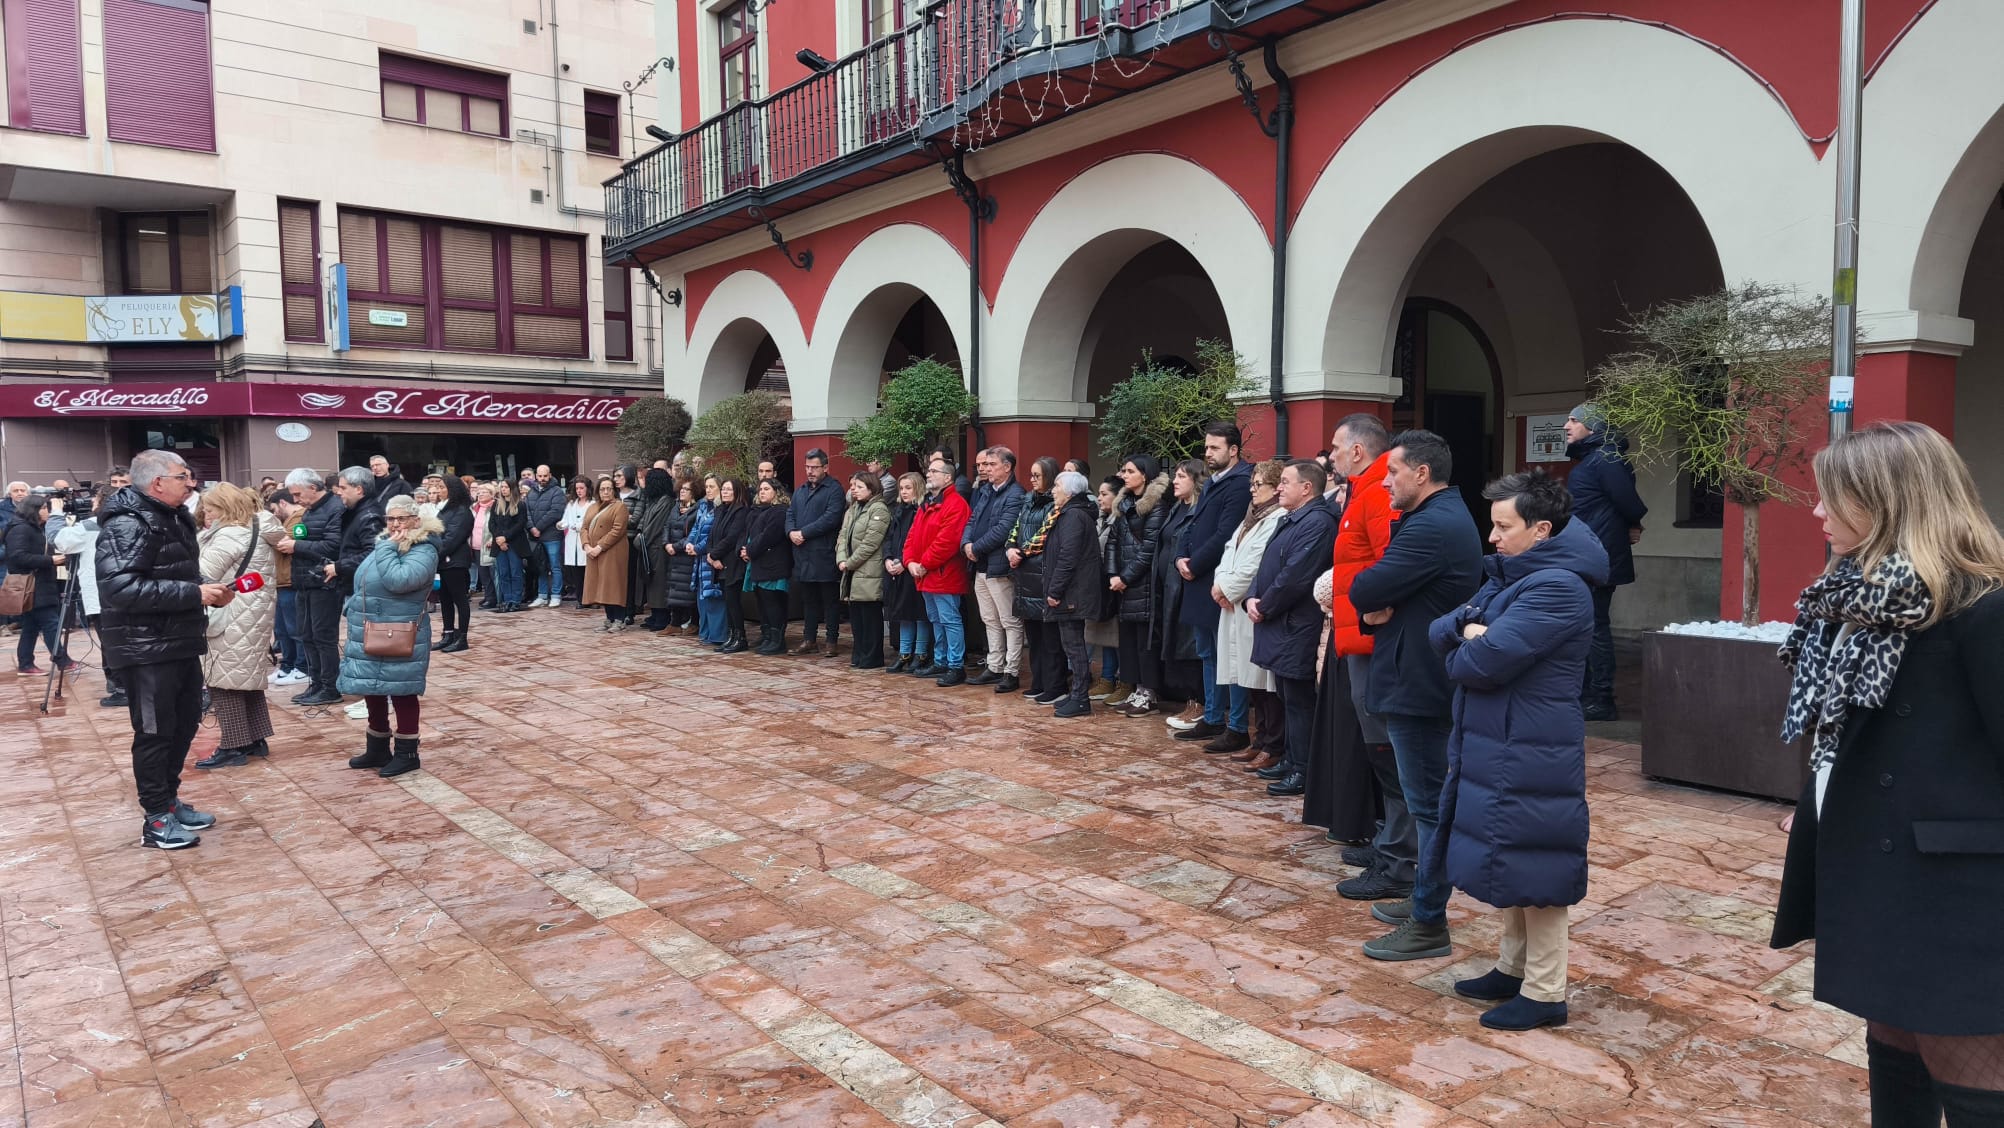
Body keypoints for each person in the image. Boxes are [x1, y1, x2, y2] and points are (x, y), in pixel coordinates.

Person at [1769, 421, 2004, 1122]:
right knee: (1892, 1045)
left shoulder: (1981, 607)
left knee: (1971, 1074)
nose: (1817, 514)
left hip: (1957, 886)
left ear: (1889, 501)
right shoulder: (1854, 602)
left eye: (1831, 499)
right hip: (1876, 869)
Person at [1429, 470, 1604, 1031]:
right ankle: (1513, 968)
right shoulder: (1511, 577)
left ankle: (1546, 990)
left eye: (1504, 526)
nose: (1493, 537)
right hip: (1499, 739)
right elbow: (1442, 631)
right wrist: (1469, 629)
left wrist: (1471, 641)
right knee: (1510, 852)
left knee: (1539, 862)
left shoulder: (1559, 587)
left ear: (1542, 529)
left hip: (1532, 744)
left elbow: (1477, 664)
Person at [1350, 429, 1484, 962]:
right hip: (1416, 675)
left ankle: (1429, 921)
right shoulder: (1435, 518)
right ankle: (1424, 898)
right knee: (1425, 801)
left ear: (1421, 473)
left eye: (1393, 473)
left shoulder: (1433, 525)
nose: (1385, 483)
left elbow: (1366, 588)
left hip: (1421, 683)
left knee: (1428, 806)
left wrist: (1380, 601)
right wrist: (1382, 602)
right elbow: (1378, 593)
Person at [96, 449, 233, 849]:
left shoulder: (172, 517)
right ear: (157, 483)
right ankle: (155, 819)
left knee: (186, 722)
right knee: (155, 733)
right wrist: (194, 593)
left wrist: (208, 588)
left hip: (178, 640)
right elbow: (120, 589)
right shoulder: (128, 524)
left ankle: (169, 802)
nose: (191, 483)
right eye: (182, 476)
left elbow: (176, 570)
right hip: (145, 648)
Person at [1319, 413, 1406, 891]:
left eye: (1335, 446)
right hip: (1356, 632)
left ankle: (1397, 851)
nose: (1330, 454)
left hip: (1370, 637)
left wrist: (1361, 602)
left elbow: (1387, 563)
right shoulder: (1363, 489)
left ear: (1357, 451)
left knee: (1386, 747)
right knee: (1377, 745)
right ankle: (1390, 839)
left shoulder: (1376, 492)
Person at [1246, 461, 1341, 796]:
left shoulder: (1317, 522)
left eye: (1286, 482)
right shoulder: (1290, 519)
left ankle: (1304, 769)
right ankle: (1290, 757)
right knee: (1287, 696)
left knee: (1300, 700)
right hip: (1280, 623)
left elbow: (1296, 576)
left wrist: (1266, 604)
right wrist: (1253, 597)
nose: (1279, 487)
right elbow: (1267, 564)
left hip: (1297, 624)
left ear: (1307, 488)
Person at [338, 493, 440, 779]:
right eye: (390, 518)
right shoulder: (390, 543)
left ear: (415, 520)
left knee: (402, 690)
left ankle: (407, 753)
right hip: (372, 627)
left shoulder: (423, 548)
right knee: (373, 686)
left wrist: (385, 549)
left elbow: (400, 580)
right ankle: (377, 746)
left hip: (400, 630)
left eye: (401, 518)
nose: (395, 524)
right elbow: (365, 579)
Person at [1563, 403, 1647, 721]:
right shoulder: (1596, 458)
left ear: (1593, 428)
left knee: (1595, 625)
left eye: (1574, 420)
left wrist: (1634, 524)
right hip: (1589, 551)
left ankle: (1601, 698)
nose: (1567, 425)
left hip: (1597, 555)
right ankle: (1588, 694)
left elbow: (1628, 502)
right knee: (1588, 624)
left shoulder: (1606, 458)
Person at [1172, 422, 1254, 741]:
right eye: (1206, 447)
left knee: (1228, 654)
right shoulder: (1211, 483)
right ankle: (1212, 714)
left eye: (1215, 447)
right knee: (1207, 652)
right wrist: (1181, 556)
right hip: (1197, 579)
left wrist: (1194, 563)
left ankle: (1235, 723)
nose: (1208, 453)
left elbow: (1226, 534)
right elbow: (1192, 524)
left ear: (1233, 450)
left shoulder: (1239, 483)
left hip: (1219, 581)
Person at [193, 482, 279, 768]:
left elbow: (202, 573)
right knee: (246, 678)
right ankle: (256, 738)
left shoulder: (229, 535)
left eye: (212, 509)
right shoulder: (257, 528)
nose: (206, 514)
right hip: (252, 613)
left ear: (225, 508)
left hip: (230, 613)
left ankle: (233, 745)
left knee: (223, 680)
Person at [1208, 460, 1286, 756]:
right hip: (1231, 603)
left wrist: (1227, 589)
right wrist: (1220, 585)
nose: (1252, 490)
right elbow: (1229, 552)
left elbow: (1256, 564)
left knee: (1263, 680)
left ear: (1277, 487)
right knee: (1248, 677)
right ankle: (1260, 738)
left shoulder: (1276, 518)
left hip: (1249, 604)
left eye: (1259, 485)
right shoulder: (1249, 517)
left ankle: (1270, 742)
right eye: (1251, 484)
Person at [1108, 457, 1171, 715]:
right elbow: (1112, 540)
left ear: (1144, 475)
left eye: (1130, 471)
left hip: (1144, 586)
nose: (1124, 475)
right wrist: (1112, 574)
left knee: (1145, 643)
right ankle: (1135, 690)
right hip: (1122, 585)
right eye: (1123, 470)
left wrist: (1125, 577)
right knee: (1128, 642)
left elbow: (1149, 550)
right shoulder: (1124, 504)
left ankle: (1149, 693)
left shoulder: (1157, 506)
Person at [1041, 470, 1104, 717]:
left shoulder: (1074, 516)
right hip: (1071, 591)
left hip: (1072, 592)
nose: (1053, 490)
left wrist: (1054, 590)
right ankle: (1076, 694)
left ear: (1069, 491)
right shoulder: (1069, 514)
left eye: (1056, 486)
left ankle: (1080, 698)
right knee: (1071, 645)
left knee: (1074, 646)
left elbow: (1068, 556)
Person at [964, 446, 1027, 692]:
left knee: (1008, 620)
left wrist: (976, 547)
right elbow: (972, 519)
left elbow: (1004, 529)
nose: (986, 469)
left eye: (991, 465)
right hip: (980, 565)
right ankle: (994, 665)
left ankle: (1011, 671)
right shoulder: (986, 491)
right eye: (985, 465)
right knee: (989, 619)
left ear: (1007, 467)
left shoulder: (1015, 493)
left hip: (999, 565)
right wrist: (966, 544)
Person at [55, 485, 123, 704]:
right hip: (126, 591)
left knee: (111, 643)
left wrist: (57, 515)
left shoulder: (88, 526)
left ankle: (121, 688)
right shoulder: (133, 522)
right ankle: (121, 685)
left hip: (100, 594)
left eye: (94, 501)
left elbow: (61, 541)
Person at [908, 457, 972, 684]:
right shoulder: (928, 503)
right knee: (936, 619)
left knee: (949, 620)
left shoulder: (955, 504)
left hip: (944, 573)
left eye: (934, 471)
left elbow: (947, 542)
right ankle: (941, 660)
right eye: (929, 471)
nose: (928, 474)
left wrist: (923, 564)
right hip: (927, 574)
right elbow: (912, 535)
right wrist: (910, 561)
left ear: (947, 477)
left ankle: (955, 666)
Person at [284, 467, 345, 705]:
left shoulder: (335, 508)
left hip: (325, 583)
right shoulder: (310, 511)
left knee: (323, 636)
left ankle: (330, 686)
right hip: (305, 582)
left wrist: (296, 547)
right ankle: (316, 682)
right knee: (306, 635)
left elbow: (332, 546)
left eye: (298, 494)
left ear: (313, 487)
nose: (295, 500)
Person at [1008, 457, 1061, 699]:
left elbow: (1045, 533)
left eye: (1037, 476)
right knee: (1034, 637)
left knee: (1050, 638)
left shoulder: (1055, 502)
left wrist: (1021, 552)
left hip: (1041, 573)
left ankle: (1055, 686)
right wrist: (1010, 547)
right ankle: (1038, 681)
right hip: (1024, 576)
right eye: (1031, 475)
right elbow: (1016, 527)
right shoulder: (1028, 501)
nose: (1031, 480)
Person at [4, 494, 75, 675]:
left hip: (41, 584)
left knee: (31, 626)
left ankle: (26, 663)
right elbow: (17, 557)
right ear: (33, 510)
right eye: (44, 508)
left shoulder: (35, 528)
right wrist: (50, 560)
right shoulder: (21, 529)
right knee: (50, 623)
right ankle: (62, 660)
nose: (47, 512)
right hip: (32, 585)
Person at [784, 448, 845, 657]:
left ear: (825, 468)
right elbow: (790, 513)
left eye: (815, 467)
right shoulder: (800, 491)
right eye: (807, 467)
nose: (810, 471)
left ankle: (831, 641)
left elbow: (831, 518)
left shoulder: (834, 489)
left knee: (829, 601)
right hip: (803, 555)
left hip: (824, 553)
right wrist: (791, 531)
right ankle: (809, 639)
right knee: (808, 600)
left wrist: (804, 532)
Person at [837, 472, 892, 670]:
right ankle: (859, 653)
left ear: (871, 488)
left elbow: (871, 542)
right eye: (852, 486)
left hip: (868, 571)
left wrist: (850, 562)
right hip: (852, 571)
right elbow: (843, 536)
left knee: (870, 616)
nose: (854, 490)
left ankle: (872, 656)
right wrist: (841, 558)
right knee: (857, 617)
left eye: (859, 486)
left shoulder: (879, 510)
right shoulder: (853, 509)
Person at [881, 472, 931, 673]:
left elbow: (919, 541)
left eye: (908, 488)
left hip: (914, 569)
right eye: (901, 488)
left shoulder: (921, 510)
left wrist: (904, 561)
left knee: (918, 613)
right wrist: (888, 558)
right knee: (903, 614)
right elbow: (889, 538)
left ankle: (920, 653)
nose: (904, 492)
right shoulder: (898, 511)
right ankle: (904, 653)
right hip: (896, 569)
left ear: (918, 488)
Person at [743, 479, 793, 654]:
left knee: (773, 602)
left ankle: (777, 640)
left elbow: (768, 536)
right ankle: (768, 636)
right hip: (759, 562)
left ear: (777, 492)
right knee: (763, 602)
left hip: (774, 564)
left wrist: (749, 550)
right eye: (760, 489)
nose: (762, 492)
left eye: (766, 489)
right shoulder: (759, 511)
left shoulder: (780, 512)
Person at [706, 479, 752, 653]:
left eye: (728, 489)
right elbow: (712, 535)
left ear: (736, 492)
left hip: (731, 562)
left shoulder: (741, 511)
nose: (724, 492)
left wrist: (715, 554)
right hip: (717, 561)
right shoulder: (719, 510)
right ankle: (731, 635)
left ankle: (740, 637)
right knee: (727, 600)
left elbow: (731, 538)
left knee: (733, 601)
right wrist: (710, 555)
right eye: (723, 489)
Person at [582, 477, 632, 630]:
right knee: (600, 586)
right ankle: (609, 618)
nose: (606, 492)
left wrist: (599, 546)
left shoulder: (619, 507)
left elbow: (617, 530)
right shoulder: (592, 507)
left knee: (613, 585)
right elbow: (584, 527)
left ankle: (619, 619)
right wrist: (586, 545)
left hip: (612, 552)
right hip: (594, 553)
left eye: (609, 488)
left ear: (614, 490)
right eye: (602, 489)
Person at [433, 475, 474, 653]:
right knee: (445, 599)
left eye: (443, 487)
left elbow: (452, 538)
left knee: (460, 599)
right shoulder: (445, 509)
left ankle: (462, 637)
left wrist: (436, 553)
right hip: (443, 561)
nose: (439, 491)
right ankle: (448, 633)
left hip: (455, 561)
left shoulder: (462, 511)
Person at [633, 469, 677, 630]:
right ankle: (655, 614)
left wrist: (641, 539)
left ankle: (662, 616)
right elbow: (643, 521)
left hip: (657, 549)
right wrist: (640, 533)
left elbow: (655, 526)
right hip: (649, 548)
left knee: (659, 584)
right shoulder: (653, 500)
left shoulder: (666, 502)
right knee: (650, 583)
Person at [687, 475, 727, 644]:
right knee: (702, 598)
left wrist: (698, 548)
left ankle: (717, 635)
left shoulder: (721, 509)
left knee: (714, 597)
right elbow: (696, 527)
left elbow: (713, 535)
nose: (708, 490)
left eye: (712, 487)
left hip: (711, 557)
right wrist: (689, 543)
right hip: (699, 560)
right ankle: (705, 633)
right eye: (707, 486)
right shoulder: (703, 505)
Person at [522, 463, 567, 608]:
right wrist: (531, 527)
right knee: (539, 566)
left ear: (550, 475)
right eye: (540, 476)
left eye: (545, 476)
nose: (542, 478)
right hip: (536, 537)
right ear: (536, 476)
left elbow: (556, 512)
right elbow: (526, 511)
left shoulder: (557, 491)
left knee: (555, 566)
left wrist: (538, 527)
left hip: (552, 536)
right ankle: (542, 596)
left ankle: (555, 595)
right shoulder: (531, 492)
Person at [659, 478, 700, 633]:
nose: (682, 491)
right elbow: (666, 526)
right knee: (674, 590)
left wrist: (676, 546)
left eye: (686, 489)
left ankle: (694, 623)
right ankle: (674, 623)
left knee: (688, 592)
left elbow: (694, 533)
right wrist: (666, 544)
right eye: (681, 489)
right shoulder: (675, 507)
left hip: (687, 556)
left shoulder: (697, 509)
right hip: (674, 557)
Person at [485, 479, 528, 613]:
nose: (503, 489)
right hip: (499, 544)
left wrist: (506, 538)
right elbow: (492, 524)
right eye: (501, 487)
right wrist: (499, 539)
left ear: (512, 488)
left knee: (515, 572)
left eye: (506, 487)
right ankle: (507, 599)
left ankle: (515, 600)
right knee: (503, 573)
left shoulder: (520, 505)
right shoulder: (496, 505)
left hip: (515, 543)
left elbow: (520, 524)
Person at [560, 475, 591, 602]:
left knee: (587, 571)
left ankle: (590, 598)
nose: (579, 491)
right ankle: (580, 598)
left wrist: (578, 526)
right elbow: (565, 519)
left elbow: (591, 521)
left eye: (581, 488)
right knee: (576, 571)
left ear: (587, 489)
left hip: (585, 539)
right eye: (577, 488)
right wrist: (562, 524)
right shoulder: (571, 504)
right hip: (572, 539)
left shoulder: (592, 504)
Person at [470, 483, 495, 608]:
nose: (480, 494)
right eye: (478, 492)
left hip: (488, 544)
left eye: (484, 492)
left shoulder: (495, 507)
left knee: (491, 573)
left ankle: (493, 598)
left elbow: (496, 526)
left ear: (491, 494)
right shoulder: (475, 507)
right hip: (476, 544)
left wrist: (493, 539)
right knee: (483, 573)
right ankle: (488, 596)